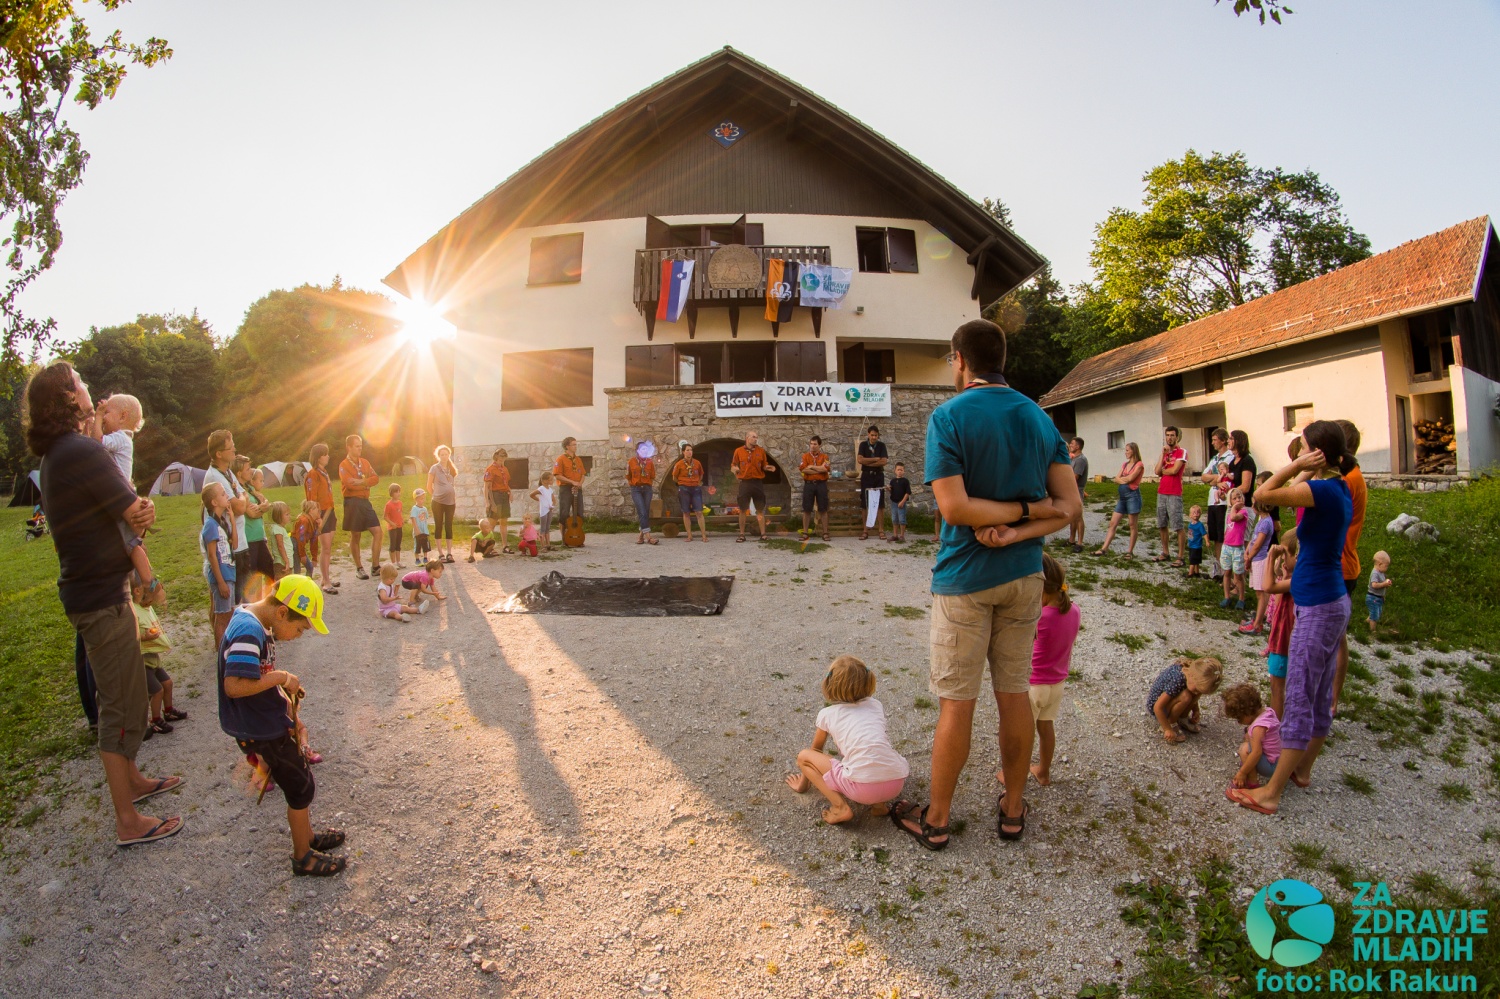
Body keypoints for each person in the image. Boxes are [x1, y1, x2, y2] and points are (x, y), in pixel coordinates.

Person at [889, 318, 1078, 851]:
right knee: (1014, 694)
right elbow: (1069, 507)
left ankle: (938, 820)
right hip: (1024, 576)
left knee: (957, 703)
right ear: (1003, 360)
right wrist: (1023, 520)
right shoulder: (1039, 418)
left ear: (959, 360)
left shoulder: (948, 416)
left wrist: (1001, 522)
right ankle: (1013, 809)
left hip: (964, 579)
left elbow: (954, 508)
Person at [24, 360, 183, 848]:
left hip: (94, 592)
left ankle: (133, 780)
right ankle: (127, 821)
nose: (88, 388)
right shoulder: (81, 450)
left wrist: (138, 514)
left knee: (128, 694)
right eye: (80, 383)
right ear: (66, 397)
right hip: (100, 597)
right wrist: (144, 511)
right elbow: (135, 511)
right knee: (119, 703)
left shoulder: (58, 453)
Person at [1229, 421, 1354, 816]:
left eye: (1302, 446)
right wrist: (1305, 467)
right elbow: (1289, 495)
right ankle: (1302, 770)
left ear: (1316, 452)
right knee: (1318, 695)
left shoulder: (1322, 490)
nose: (1297, 451)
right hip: (1330, 599)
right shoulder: (1337, 487)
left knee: (1299, 697)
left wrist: (1298, 464)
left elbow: (1262, 495)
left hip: (1318, 606)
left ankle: (1271, 792)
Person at [217, 574, 346, 876]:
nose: (299, 635)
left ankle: (307, 837)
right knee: (300, 786)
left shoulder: (256, 621)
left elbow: (256, 675)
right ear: (283, 612)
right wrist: (281, 677)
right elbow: (234, 686)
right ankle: (303, 857)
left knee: (299, 779)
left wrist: (286, 706)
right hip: (261, 729)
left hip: (266, 720)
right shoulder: (249, 630)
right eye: (300, 628)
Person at [784, 656, 908, 825]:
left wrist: (803, 785)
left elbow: (815, 751)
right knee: (875, 752)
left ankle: (840, 806)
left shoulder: (827, 714)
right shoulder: (875, 705)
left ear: (830, 684)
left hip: (862, 790)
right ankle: (879, 806)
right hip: (895, 783)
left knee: (804, 756)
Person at [1017, 554, 1078, 787]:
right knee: (1045, 727)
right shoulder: (1075, 611)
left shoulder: (1039, 617)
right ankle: (1043, 772)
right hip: (1057, 684)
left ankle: (1015, 778)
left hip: (1035, 685)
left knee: (1022, 733)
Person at [93, 393, 161, 595]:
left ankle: (149, 583)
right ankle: (144, 582)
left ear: (122, 416)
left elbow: (96, 442)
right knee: (132, 542)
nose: (103, 418)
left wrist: (97, 417)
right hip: (123, 494)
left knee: (131, 544)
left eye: (107, 413)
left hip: (121, 497)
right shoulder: (123, 439)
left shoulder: (120, 438)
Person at [1331, 419, 1367, 713]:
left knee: (1335, 639)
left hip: (1340, 565)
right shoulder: (1350, 475)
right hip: (1341, 563)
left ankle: (1331, 699)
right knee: (1336, 638)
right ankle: (1330, 699)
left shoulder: (1348, 480)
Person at [132, 572, 183, 737]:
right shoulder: (133, 611)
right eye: (149, 598)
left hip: (154, 658)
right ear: (139, 593)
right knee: (157, 691)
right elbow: (132, 636)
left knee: (167, 683)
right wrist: (146, 637)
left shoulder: (146, 608)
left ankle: (168, 711)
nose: (151, 602)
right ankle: (155, 721)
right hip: (143, 661)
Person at [204, 430, 250, 603]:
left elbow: (244, 495)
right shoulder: (214, 476)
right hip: (227, 549)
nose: (235, 450)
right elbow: (239, 507)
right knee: (231, 602)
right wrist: (241, 499)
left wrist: (241, 498)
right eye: (231, 448)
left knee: (242, 597)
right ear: (219, 454)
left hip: (240, 543)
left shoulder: (228, 472)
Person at [1147, 656, 1224, 743]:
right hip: (1159, 708)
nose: (1197, 693)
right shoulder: (1177, 680)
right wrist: (1167, 729)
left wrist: (1196, 710)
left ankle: (1182, 718)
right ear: (1192, 676)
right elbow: (1157, 707)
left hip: (1170, 700)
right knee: (1186, 696)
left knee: (1190, 694)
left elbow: (1194, 694)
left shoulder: (1193, 677)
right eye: (1197, 689)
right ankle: (1170, 722)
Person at [339, 435, 383, 580]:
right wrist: (365, 483)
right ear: (349, 447)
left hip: (365, 501)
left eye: (361, 446)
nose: (360, 448)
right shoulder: (344, 465)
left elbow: (375, 479)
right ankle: (359, 568)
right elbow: (348, 484)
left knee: (378, 531)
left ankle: (375, 566)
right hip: (352, 502)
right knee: (356, 535)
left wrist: (360, 482)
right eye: (357, 446)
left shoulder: (365, 462)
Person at [1263, 534, 1297, 719]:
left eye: (1285, 555)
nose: (1282, 558)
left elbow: (1268, 587)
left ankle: (1276, 726)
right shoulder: (1295, 577)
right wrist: (1280, 571)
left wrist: (1270, 558)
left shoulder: (1297, 579)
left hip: (1283, 641)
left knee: (1277, 687)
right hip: (1284, 639)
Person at [1222, 684, 1281, 789]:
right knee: (1248, 738)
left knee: (1244, 749)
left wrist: (1242, 772)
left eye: (1239, 718)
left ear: (1247, 713)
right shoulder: (1268, 711)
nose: (1239, 722)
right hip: (1281, 760)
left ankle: (1252, 781)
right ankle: (1249, 767)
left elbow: (1256, 753)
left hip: (1271, 766)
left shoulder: (1258, 728)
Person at [201, 482, 238, 649]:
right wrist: (221, 582)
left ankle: (227, 648)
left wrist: (232, 520)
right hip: (221, 577)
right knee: (221, 617)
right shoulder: (210, 524)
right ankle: (221, 651)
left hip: (229, 573)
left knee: (229, 614)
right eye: (223, 494)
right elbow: (212, 556)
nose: (227, 496)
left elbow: (234, 544)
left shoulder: (222, 522)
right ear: (214, 502)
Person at [1091, 443, 1144, 557]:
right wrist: (1124, 479)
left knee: (1132, 525)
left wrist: (1123, 479)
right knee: (1112, 523)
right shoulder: (1125, 464)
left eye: (1127, 450)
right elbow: (1116, 479)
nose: (1125, 452)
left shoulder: (1139, 465)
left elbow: (1131, 478)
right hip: (1122, 498)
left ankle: (1129, 552)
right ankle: (1104, 549)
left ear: (1133, 451)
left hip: (1132, 497)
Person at [303, 444, 338, 594]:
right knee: (326, 548)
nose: (328, 456)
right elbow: (312, 498)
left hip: (330, 511)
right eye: (325, 454)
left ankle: (325, 578)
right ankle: (326, 582)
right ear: (318, 457)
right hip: (321, 513)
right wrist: (317, 517)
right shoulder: (313, 474)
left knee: (328, 548)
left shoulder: (324, 472)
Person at [1240, 497, 1277, 633]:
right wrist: (1247, 552)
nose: (1252, 505)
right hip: (1255, 559)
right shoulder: (1262, 520)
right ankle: (1257, 620)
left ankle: (1257, 624)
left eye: (1253, 503)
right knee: (1258, 593)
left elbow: (1258, 544)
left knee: (1261, 594)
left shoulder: (1266, 523)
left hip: (1260, 560)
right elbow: (1253, 540)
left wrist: (1249, 558)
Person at [731, 430, 775, 542]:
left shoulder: (761, 451)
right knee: (742, 509)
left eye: (756, 437)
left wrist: (768, 467)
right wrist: (735, 469)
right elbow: (733, 465)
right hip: (745, 483)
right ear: (747, 438)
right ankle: (741, 534)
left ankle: (763, 534)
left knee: (760, 509)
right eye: (753, 437)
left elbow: (764, 465)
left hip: (757, 483)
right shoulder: (738, 451)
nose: (756, 439)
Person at [240, 462, 274, 601]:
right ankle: (251, 603)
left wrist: (262, 507)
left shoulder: (252, 491)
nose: (263, 483)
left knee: (268, 568)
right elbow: (252, 513)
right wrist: (263, 508)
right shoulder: (244, 492)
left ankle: (265, 599)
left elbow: (265, 504)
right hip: (250, 538)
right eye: (260, 480)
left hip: (259, 537)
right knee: (252, 574)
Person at [1200, 429, 1232, 580]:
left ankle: (1227, 570)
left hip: (1223, 501)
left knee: (1223, 535)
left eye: (1214, 440)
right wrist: (1217, 479)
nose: (1212, 443)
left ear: (1223, 440)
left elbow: (1226, 478)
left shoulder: (1230, 457)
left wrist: (1214, 479)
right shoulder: (1214, 459)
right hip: (1212, 501)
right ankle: (1218, 569)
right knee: (1215, 536)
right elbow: (1203, 476)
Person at [1153, 426, 1187, 566]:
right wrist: (1163, 455)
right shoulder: (1166, 453)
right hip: (1162, 491)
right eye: (1167, 435)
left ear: (1177, 437)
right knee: (1162, 523)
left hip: (1174, 492)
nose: (1169, 438)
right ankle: (1165, 552)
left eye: (1172, 435)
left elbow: (1174, 470)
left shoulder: (1181, 452)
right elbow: (1156, 471)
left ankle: (1180, 556)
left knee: (1177, 525)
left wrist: (1164, 470)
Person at [857, 425, 889, 541]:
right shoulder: (863, 445)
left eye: (876, 435)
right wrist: (875, 459)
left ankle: (881, 530)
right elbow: (860, 460)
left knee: (880, 503)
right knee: (865, 503)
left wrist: (868, 462)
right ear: (868, 434)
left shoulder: (881, 445)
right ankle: (865, 530)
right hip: (866, 476)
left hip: (878, 476)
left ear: (878, 435)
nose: (874, 437)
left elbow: (884, 461)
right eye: (872, 435)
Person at [1218, 487, 1249, 610]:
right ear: (1229, 501)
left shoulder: (1243, 512)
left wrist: (1235, 508)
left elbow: (1234, 518)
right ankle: (1227, 597)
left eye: (1239, 497)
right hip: (1227, 546)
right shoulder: (1230, 512)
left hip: (1237, 548)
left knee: (1239, 574)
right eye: (1234, 498)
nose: (1237, 500)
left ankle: (1241, 598)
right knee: (1226, 572)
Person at [427, 445, 458, 563]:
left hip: (450, 502)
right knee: (438, 525)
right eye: (442, 454)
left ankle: (449, 553)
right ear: (438, 456)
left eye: (446, 454)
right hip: (438, 502)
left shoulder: (451, 468)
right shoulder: (434, 468)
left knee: (449, 526)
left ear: (449, 455)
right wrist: (435, 496)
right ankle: (440, 553)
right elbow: (429, 486)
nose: (444, 456)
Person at [798, 435, 832, 542]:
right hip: (809, 484)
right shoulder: (805, 456)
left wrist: (812, 467)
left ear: (819, 445)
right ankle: (805, 533)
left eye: (815, 444)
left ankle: (825, 533)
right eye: (811, 444)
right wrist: (819, 469)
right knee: (806, 509)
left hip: (821, 484)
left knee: (823, 509)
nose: (812, 446)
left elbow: (825, 468)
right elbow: (803, 469)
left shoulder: (825, 457)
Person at [672, 445, 708, 542]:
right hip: (684, 488)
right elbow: (674, 477)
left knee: (699, 512)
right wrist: (681, 483)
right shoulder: (679, 464)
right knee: (686, 512)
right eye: (687, 450)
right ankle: (689, 535)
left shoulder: (697, 463)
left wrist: (697, 482)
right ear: (683, 452)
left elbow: (701, 474)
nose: (690, 452)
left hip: (695, 488)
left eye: (691, 450)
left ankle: (704, 535)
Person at [627, 443, 658, 545]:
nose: (645, 451)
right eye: (643, 449)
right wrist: (633, 484)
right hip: (636, 489)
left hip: (647, 489)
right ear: (638, 450)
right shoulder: (631, 461)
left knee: (645, 512)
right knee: (642, 512)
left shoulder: (650, 462)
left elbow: (652, 476)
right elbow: (628, 476)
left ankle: (641, 537)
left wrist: (647, 484)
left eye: (646, 449)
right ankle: (649, 537)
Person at [553, 436, 587, 528]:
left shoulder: (578, 459)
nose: (576, 446)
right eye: (573, 445)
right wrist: (572, 482)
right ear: (567, 446)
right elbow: (557, 475)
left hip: (577, 488)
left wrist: (579, 484)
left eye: (576, 444)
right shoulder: (560, 459)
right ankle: (565, 536)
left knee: (579, 513)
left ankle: (577, 534)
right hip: (566, 488)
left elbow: (583, 474)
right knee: (564, 514)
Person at [483, 448, 513, 551]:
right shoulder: (490, 469)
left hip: (504, 496)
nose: (502, 457)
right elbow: (487, 487)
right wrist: (489, 502)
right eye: (500, 455)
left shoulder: (505, 469)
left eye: (504, 455)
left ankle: (505, 546)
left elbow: (506, 483)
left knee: (504, 521)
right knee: (492, 523)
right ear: (496, 456)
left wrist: (510, 492)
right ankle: (487, 547)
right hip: (495, 496)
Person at [1067, 437, 1088, 553]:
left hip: (1077, 490)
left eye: (1072, 443)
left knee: (1078, 516)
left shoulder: (1080, 460)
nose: (1070, 445)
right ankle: (1071, 540)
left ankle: (1080, 543)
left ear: (1078, 446)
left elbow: (1075, 477)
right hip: (1071, 490)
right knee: (1072, 516)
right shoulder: (1073, 458)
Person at [292, 499, 322, 579]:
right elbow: (300, 538)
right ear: (311, 510)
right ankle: (295, 585)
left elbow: (314, 541)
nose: (319, 511)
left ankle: (307, 583)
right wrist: (302, 555)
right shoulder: (304, 521)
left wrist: (314, 558)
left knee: (310, 567)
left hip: (299, 546)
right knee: (297, 571)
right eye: (317, 509)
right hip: (295, 545)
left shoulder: (314, 522)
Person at [1366, 551, 1392, 632]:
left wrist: (1385, 586)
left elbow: (1381, 585)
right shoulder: (1375, 573)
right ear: (1380, 564)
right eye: (1386, 566)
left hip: (1378, 597)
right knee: (1375, 615)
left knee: (1378, 612)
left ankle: (1367, 621)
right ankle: (1372, 630)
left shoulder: (1381, 573)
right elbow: (1374, 585)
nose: (1387, 568)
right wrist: (1384, 584)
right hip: (1373, 597)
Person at [531, 471, 556, 551]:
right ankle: (543, 546)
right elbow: (532, 495)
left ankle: (548, 544)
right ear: (544, 480)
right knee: (543, 528)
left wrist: (552, 506)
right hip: (543, 511)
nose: (552, 481)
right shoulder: (541, 489)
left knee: (547, 528)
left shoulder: (550, 489)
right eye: (550, 479)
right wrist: (539, 500)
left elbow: (554, 500)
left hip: (549, 510)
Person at [267, 501, 292, 580]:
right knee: (281, 583)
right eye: (287, 514)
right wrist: (286, 561)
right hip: (282, 563)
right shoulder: (277, 529)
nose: (289, 516)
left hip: (285, 562)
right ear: (279, 517)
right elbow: (280, 545)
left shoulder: (281, 529)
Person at [383, 482, 406, 569]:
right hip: (392, 528)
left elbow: (400, 513)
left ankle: (398, 561)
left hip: (399, 526)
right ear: (391, 493)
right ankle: (393, 563)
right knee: (392, 545)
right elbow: (385, 517)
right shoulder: (388, 505)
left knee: (398, 544)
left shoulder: (400, 503)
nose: (398, 493)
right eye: (396, 492)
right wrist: (392, 523)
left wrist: (402, 520)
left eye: (399, 491)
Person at [888, 462, 913, 543]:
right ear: (895, 471)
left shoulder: (905, 481)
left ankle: (902, 536)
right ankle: (895, 535)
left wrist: (902, 502)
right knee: (894, 519)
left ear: (904, 471)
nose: (900, 471)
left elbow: (908, 492)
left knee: (902, 519)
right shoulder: (893, 481)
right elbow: (892, 492)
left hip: (901, 503)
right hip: (894, 502)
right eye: (898, 470)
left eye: (901, 470)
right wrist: (888, 489)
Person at [410, 488, 432, 563]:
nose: (422, 500)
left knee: (425, 545)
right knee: (417, 545)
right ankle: (417, 559)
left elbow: (425, 519)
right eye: (420, 499)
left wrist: (426, 529)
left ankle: (425, 558)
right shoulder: (414, 508)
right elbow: (413, 519)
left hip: (424, 530)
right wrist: (416, 530)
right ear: (416, 499)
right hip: (418, 530)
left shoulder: (424, 509)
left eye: (423, 498)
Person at [1186, 505, 1208, 578]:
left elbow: (1204, 533)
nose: (1196, 514)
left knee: (1192, 561)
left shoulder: (1200, 525)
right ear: (1190, 515)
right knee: (1196, 560)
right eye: (1194, 512)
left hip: (1196, 546)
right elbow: (1190, 534)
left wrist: (1207, 541)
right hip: (1191, 545)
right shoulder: (1190, 524)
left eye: (1198, 512)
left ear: (1200, 514)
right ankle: (1197, 572)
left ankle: (1190, 574)